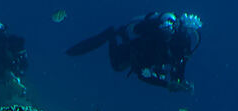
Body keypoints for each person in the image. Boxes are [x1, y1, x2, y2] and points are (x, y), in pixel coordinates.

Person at [66, 12, 202, 91]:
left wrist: (180, 83)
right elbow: (141, 72)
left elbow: (178, 74)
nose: (183, 59)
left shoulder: (180, 53)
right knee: (117, 65)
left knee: (119, 66)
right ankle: (111, 35)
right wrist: (166, 84)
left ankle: (113, 35)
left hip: (142, 55)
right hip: (135, 49)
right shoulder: (160, 43)